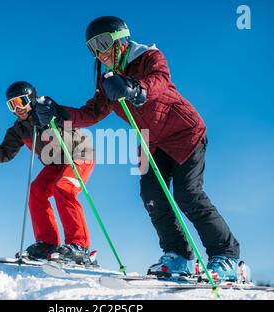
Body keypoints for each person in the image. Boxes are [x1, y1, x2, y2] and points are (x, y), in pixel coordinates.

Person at [34, 16, 241, 280]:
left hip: (185, 132)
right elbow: (92, 112)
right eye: (92, 48)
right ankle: (178, 255)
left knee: (188, 194)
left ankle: (226, 256)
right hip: (152, 141)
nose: (100, 52)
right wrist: (58, 112)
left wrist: (134, 89)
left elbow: (159, 80)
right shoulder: (107, 81)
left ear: (121, 40)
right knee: (152, 195)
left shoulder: (149, 57)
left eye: (103, 42)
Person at [0, 81, 96, 265]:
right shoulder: (18, 130)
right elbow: (2, 155)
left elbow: (65, 137)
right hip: (55, 164)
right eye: (12, 104)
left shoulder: (47, 112)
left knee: (64, 187)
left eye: (21, 101)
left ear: (33, 99)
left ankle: (79, 246)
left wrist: (46, 123)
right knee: (36, 190)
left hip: (79, 155)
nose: (18, 107)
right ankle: (48, 244)